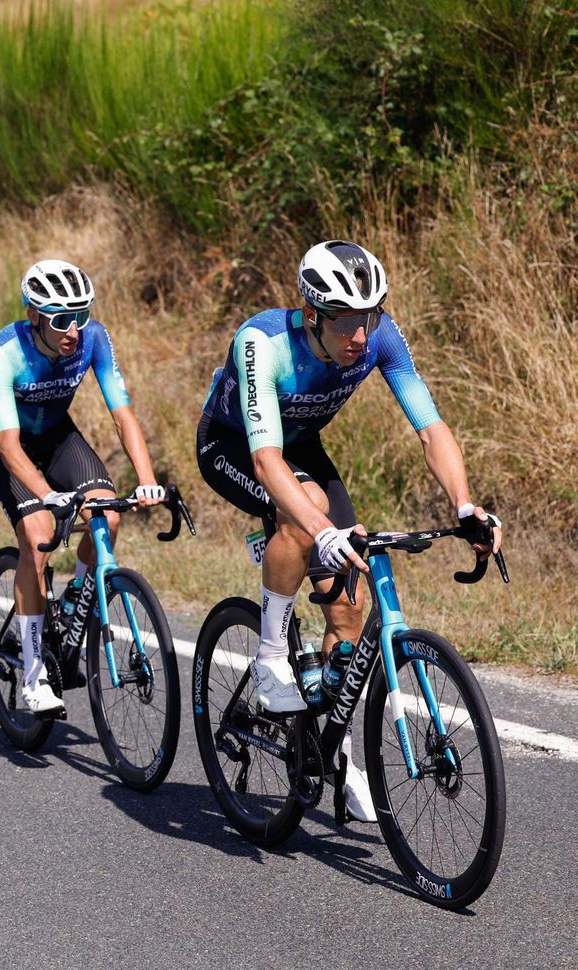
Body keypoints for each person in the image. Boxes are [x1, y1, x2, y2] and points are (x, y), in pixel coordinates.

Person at [196, 239, 502, 821]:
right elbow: (265, 461)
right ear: (311, 313)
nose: (360, 334)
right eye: (344, 321)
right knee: (307, 512)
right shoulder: (262, 341)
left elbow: (430, 427)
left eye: (370, 316)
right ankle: (269, 659)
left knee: (348, 610)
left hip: (300, 445)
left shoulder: (379, 338)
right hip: (233, 446)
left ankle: (336, 756)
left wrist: (464, 504)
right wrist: (320, 528)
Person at [0, 259, 165, 714]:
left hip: (57, 434)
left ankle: (77, 597)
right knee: (38, 535)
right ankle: (34, 671)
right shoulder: (4, 350)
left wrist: (147, 480)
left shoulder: (93, 338)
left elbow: (122, 415)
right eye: (62, 320)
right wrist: (47, 496)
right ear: (34, 316)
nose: (74, 330)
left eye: (81, 315)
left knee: (108, 516)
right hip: (8, 442)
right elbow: (8, 446)